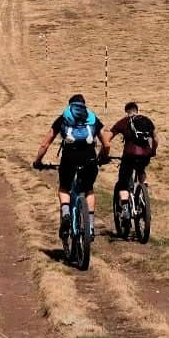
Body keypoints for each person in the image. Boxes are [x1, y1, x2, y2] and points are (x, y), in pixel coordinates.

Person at [33, 93, 110, 241]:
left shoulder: (63, 118)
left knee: (64, 187)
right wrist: (102, 157)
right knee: (88, 189)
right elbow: (106, 144)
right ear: (84, 105)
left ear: (70, 105)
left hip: (69, 158)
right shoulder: (92, 117)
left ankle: (66, 213)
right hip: (89, 158)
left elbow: (45, 143)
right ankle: (91, 227)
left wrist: (38, 161)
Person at [108, 101, 158, 222]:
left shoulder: (123, 122)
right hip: (145, 154)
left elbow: (108, 136)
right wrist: (153, 151)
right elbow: (155, 139)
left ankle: (125, 208)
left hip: (129, 155)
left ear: (127, 111)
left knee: (123, 181)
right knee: (141, 170)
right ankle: (143, 190)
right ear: (137, 110)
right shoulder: (146, 120)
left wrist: (105, 153)